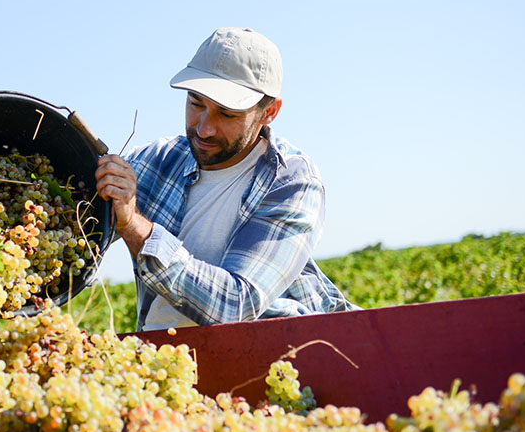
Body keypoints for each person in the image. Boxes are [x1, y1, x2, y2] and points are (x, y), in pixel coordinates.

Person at [95, 27, 357, 331]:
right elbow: (72, 223)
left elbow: (236, 305)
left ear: (269, 111)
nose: (204, 128)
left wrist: (135, 226)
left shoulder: (290, 181)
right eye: (196, 103)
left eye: (227, 114)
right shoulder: (157, 161)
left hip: (276, 358)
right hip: (165, 361)